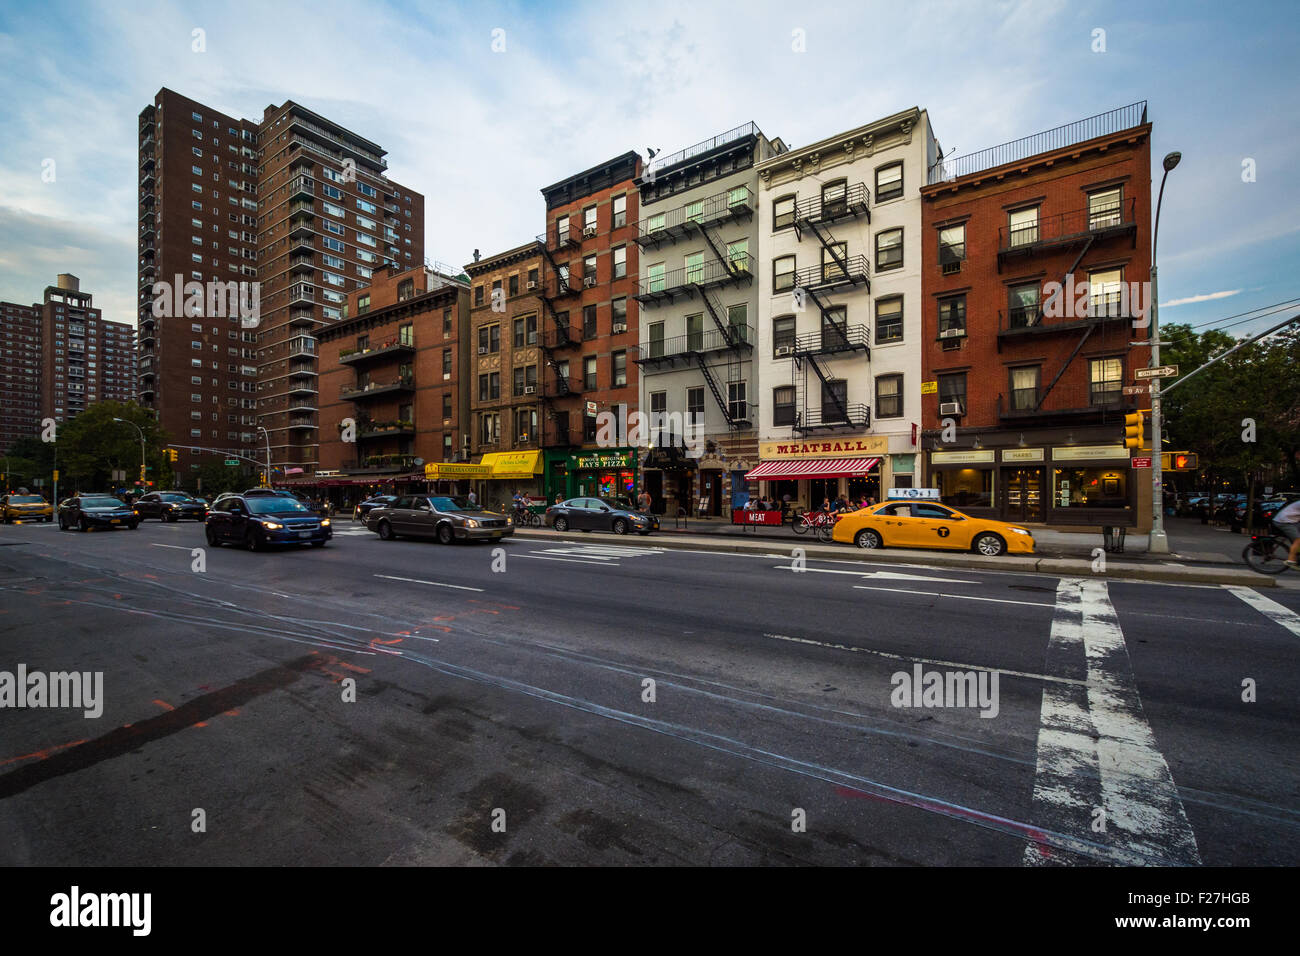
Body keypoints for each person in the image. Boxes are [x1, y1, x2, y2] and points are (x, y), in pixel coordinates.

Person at [1273, 497, 1300, 569]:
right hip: (1284, 521)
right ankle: (1291, 560)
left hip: (1292, 521)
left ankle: (1297, 554)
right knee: (1298, 540)